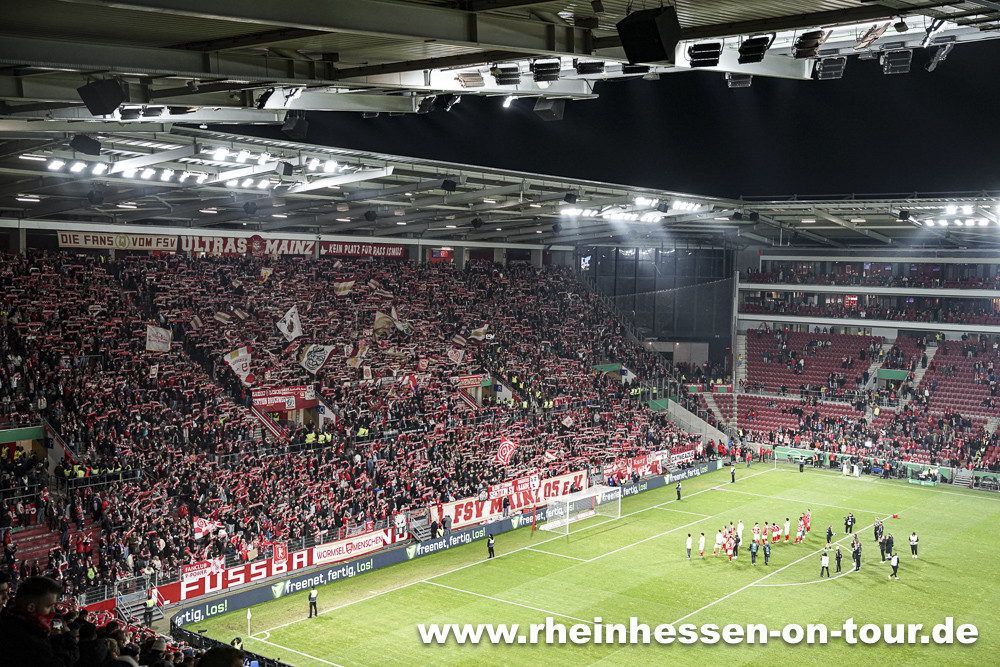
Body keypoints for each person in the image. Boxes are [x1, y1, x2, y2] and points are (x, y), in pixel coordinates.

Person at [0, 576, 73, 667]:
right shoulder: (33, 644)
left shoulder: (8, 622)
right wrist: (67, 638)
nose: (53, 611)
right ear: (31, 608)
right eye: (49, 606)